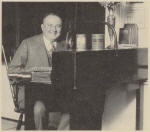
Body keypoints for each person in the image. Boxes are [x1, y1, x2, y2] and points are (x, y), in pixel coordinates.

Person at [8, 13, 70, 130]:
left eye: (58, 26)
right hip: (31, 93)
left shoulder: (65, 46)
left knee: (76, 108)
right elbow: (11, 72)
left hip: (56, 93)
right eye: (50, 25)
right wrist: (34, 74)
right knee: (38, 108)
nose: (54, 29)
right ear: (42, 27)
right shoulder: (28, 43)